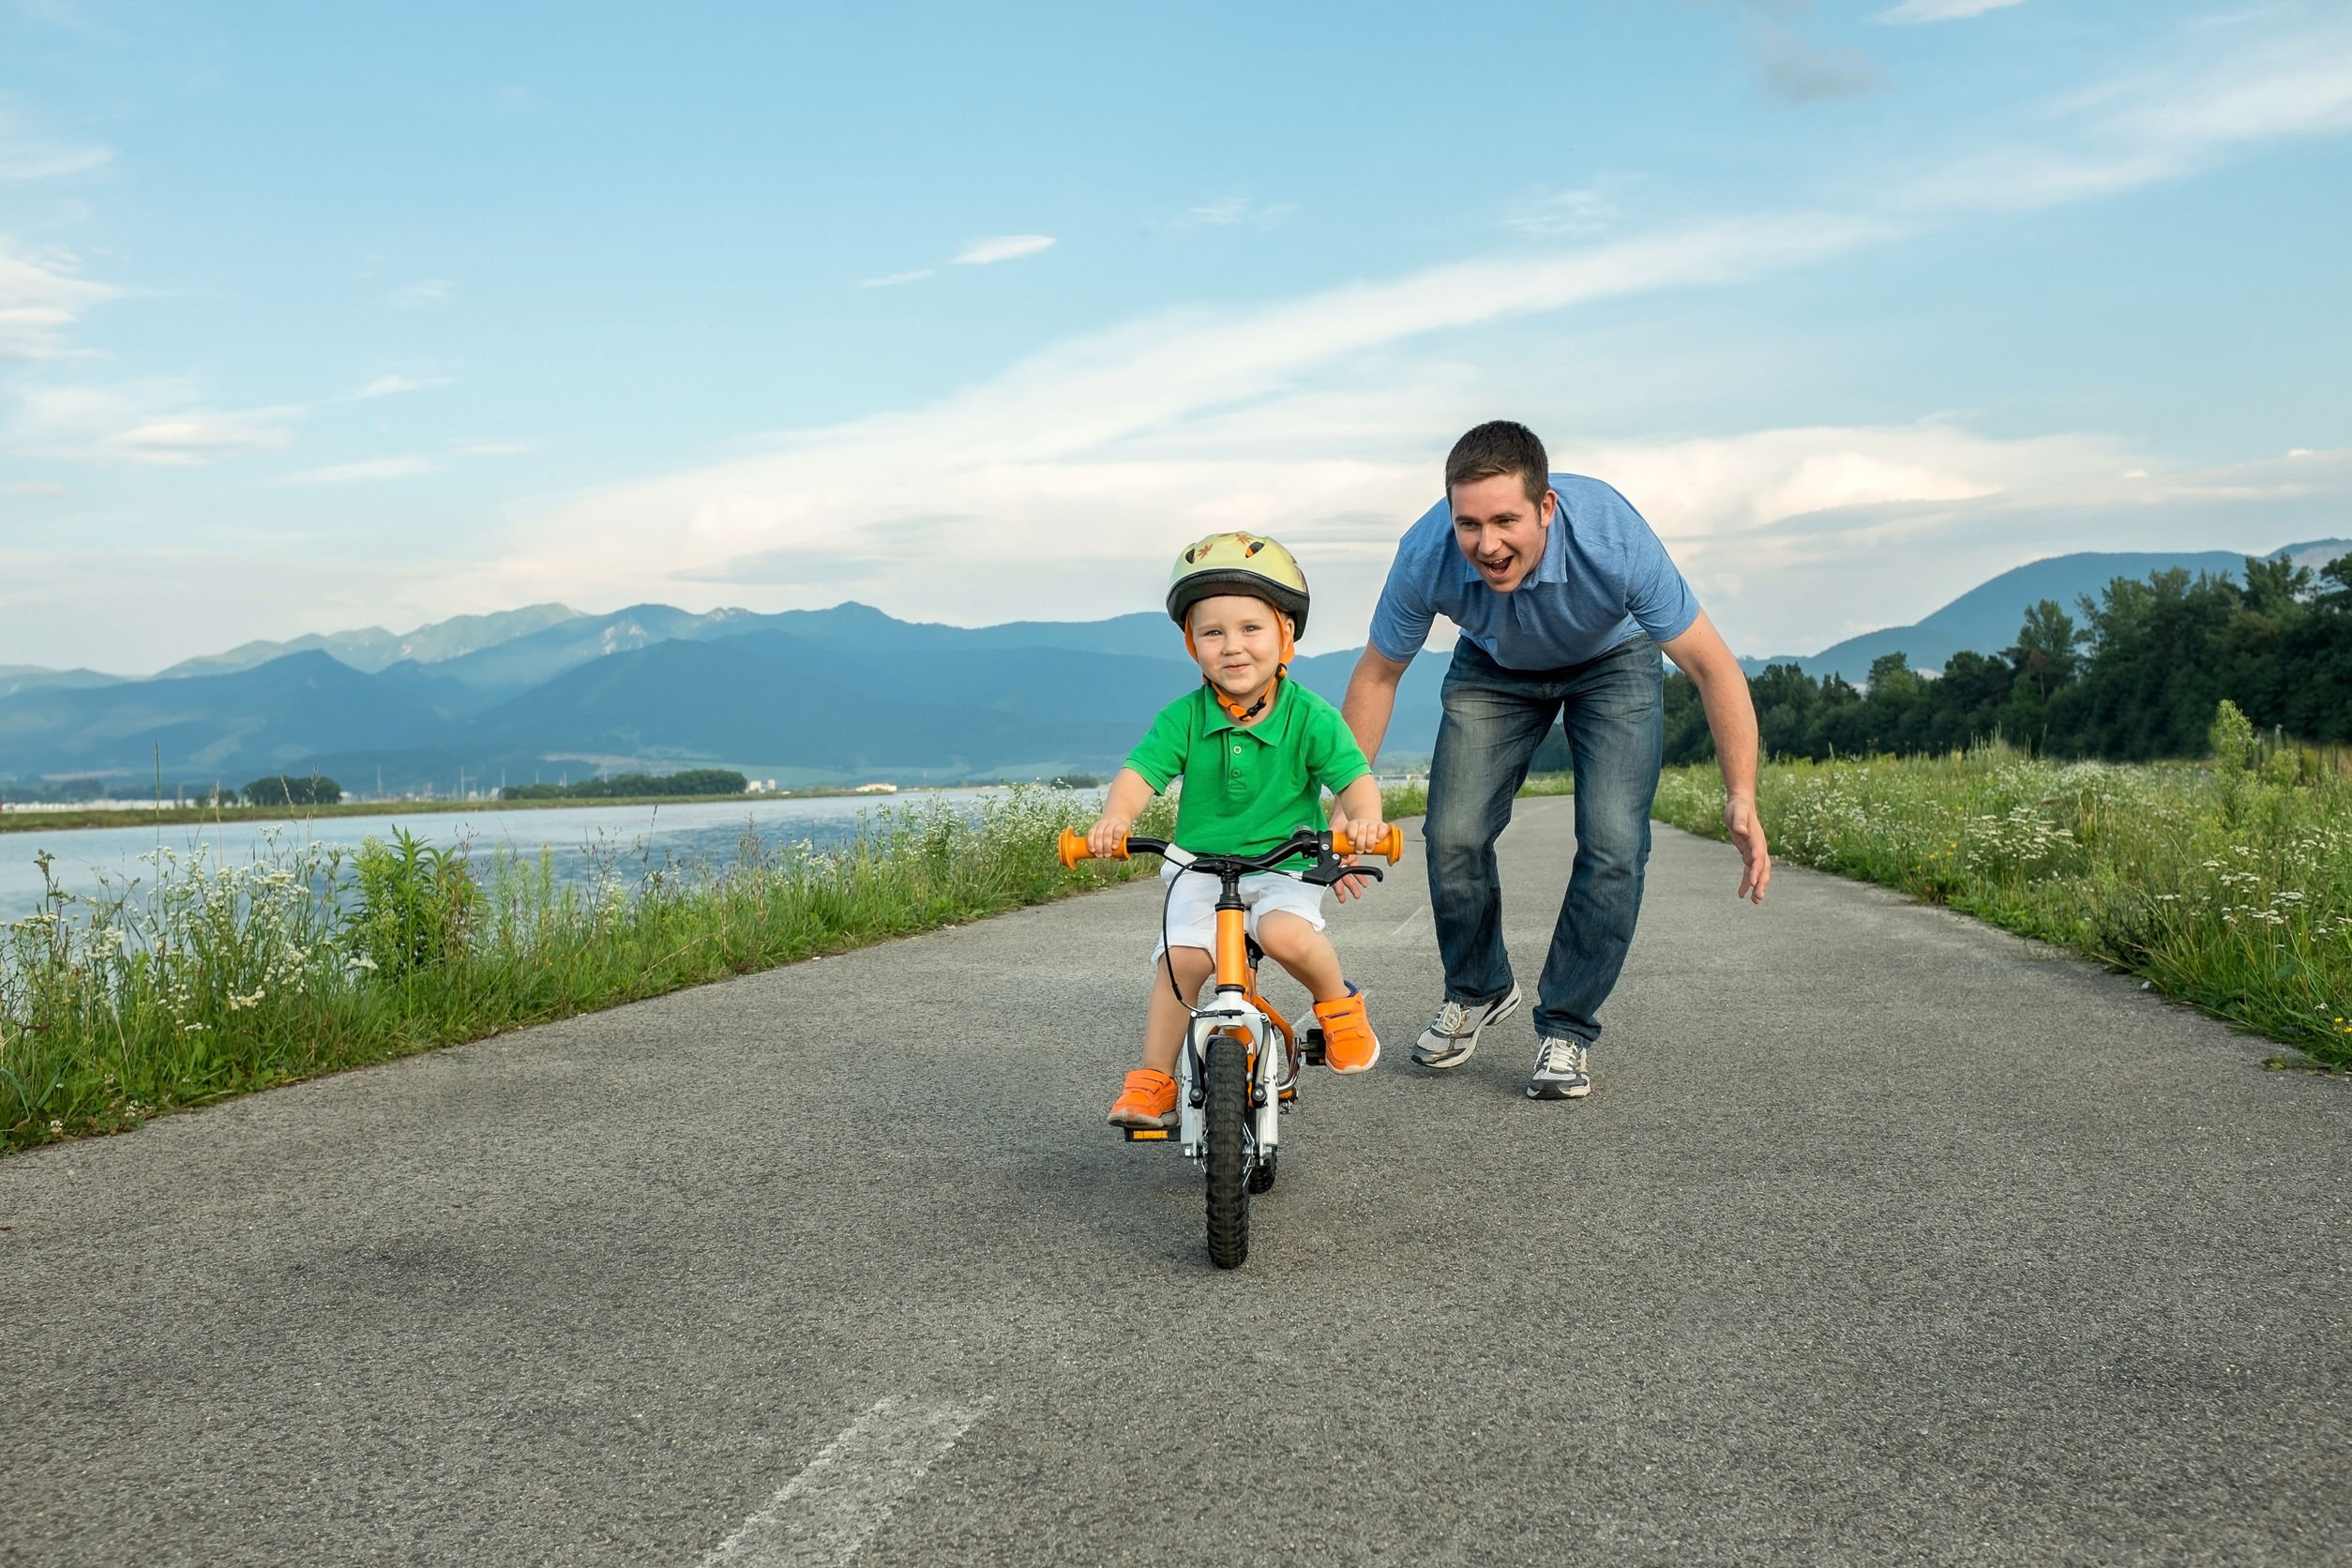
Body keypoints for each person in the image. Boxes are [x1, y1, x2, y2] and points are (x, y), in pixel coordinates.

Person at [1340, 420, 1770, 1102]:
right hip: (1494, 663)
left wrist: (1740, 793)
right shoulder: (1425, 552)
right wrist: (1346, 794)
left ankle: (1566, 1026)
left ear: (1546, 507)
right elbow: (1377, 675)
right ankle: (1478, 989)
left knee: (1613, 842)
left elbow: (1713, 668)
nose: (1487, 544)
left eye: (1506, 520)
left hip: (1613, 660)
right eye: (1469, 524)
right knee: (1451, 832)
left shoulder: (1612, 539)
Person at [1089, 532, 1395, 1131]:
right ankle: (1153, 1080)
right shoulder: (1184, 717)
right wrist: (1116, 818)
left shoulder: (1309, 716)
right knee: (1182, 961)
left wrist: (1363, 820)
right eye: (1213, 632)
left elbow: (1353, 777)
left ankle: (1339, 1007)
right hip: (1198, 865)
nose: (1233, 647)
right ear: (1191, 644)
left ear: (1286, 636)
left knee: (1285, 934)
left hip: (1285, 861)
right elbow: (1139, 773)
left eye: (1251, 629)